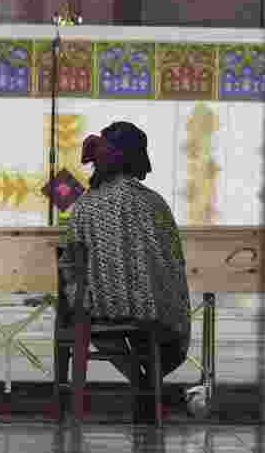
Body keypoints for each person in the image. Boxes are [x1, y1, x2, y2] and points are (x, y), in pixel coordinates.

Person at [59, 121, 190, 421]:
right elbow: (171, 261)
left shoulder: (83, 206)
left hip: (98, 308)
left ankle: (140, 382)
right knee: (153, 321)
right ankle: (148, 385)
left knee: (89, 318)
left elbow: (71, 264)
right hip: (149, 308)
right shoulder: (153, 203)